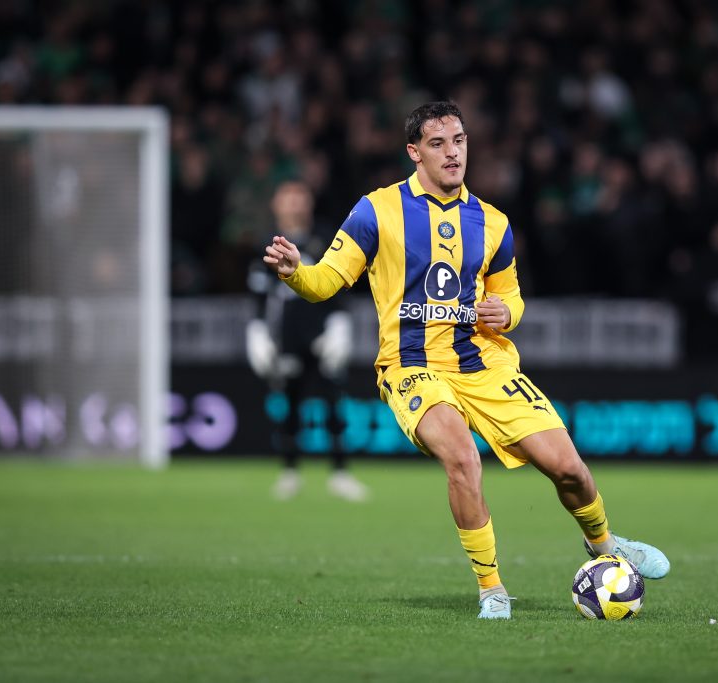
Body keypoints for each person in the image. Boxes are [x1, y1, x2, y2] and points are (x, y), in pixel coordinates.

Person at [262, 102, 669, 619]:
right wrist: (296, 272)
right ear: (414, 152)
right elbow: (325, 282)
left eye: (459, 140)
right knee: (463, 458)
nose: (452, 153)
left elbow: (511, 297)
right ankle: (492, 589)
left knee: (569, 469)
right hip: (412, 366)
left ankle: (605, 545)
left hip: (484, 365)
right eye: (438, 143)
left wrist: (508, 313)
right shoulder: (376, 211)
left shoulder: (494, 223)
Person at [247, 181, 370, 502]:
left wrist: (340, 324)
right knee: (290, 403)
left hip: (322, 334)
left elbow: (341, 281)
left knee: (334, 402)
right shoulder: (266, 243)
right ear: (276, 204)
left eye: (299, 198)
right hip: (288, 338)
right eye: (287, 198)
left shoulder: (327, 237)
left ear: (310, 202)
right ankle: (289, 472)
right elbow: (259, 294)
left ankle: (340, 473)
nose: (294, 204)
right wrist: (257, 331)